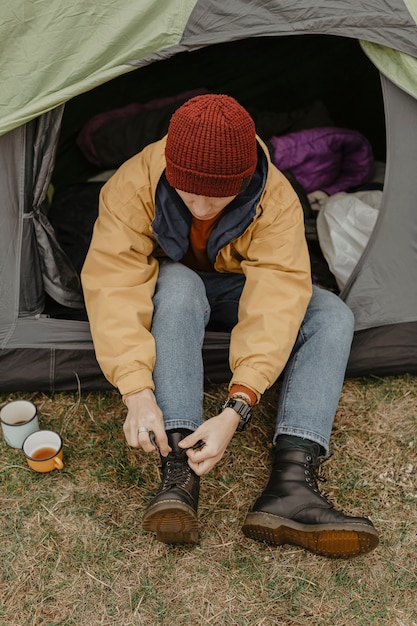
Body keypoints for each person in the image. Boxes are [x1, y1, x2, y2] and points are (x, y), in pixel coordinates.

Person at [81, 94, 379, 558]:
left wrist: (237, 407)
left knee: (331, 315)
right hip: (174, 286)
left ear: (242, 180)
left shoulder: (275, 197)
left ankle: (290, 485)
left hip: (239, 285)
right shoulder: (133, 184)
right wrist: (136, 391)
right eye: (187, 192)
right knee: (179, 283)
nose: (200, 207)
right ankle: (178, 470)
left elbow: (278, 295)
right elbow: (113, 283)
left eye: (216, 195)